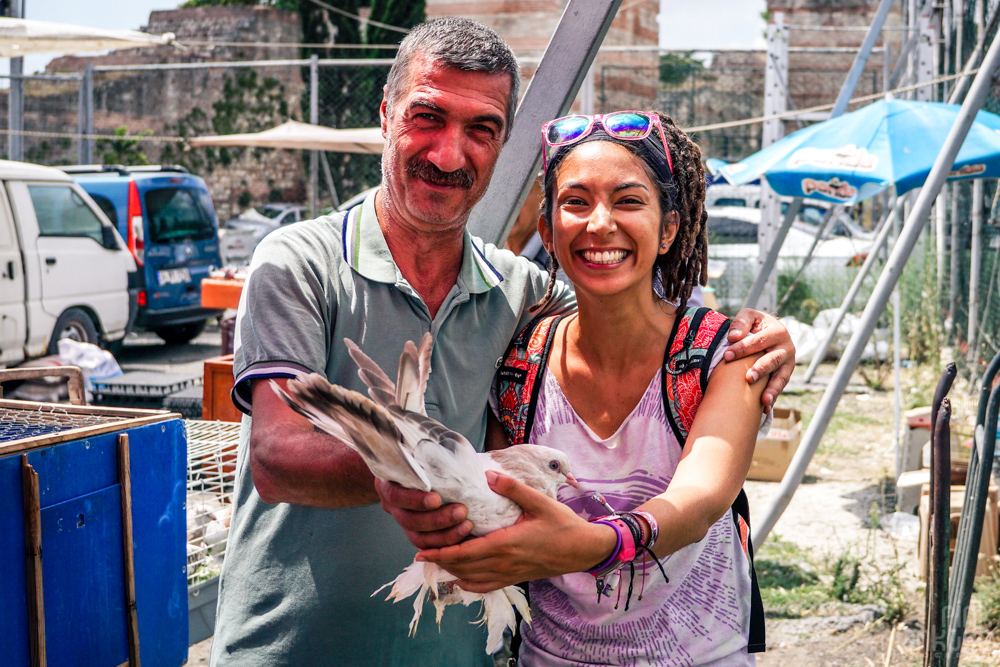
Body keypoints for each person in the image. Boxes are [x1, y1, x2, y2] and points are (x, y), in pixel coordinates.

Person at [212, 18, 794, 667]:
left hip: (459, 653)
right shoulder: (301, 262)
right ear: (385, 113)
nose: (449, 153)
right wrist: (406, 469)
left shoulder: (524, 295)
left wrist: (752, 334)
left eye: (480, 130)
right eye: (427, 117)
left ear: (501, 144)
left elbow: (634, 314)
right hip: (295, 651)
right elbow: (275, 451)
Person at [417, 111, 770, 665]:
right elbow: (492, 496)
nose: (600, 223)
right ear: (547, 233)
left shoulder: (720, 354)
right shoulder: (520, 367)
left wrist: (598, 545)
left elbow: (700, 501)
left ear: (670, 228)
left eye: (628, 201)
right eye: (575, 203)